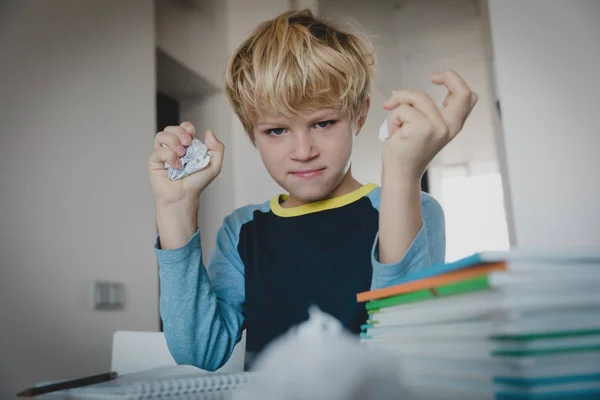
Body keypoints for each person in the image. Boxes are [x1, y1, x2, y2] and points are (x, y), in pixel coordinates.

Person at [147, 9, 477, 371]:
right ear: (251, 132)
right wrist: (175, 209)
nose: (303, 152)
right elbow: (199, 354)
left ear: (360, 114)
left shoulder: (412, 206)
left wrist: (403, 174)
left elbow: (406, 348)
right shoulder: (242, 230)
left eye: (323, 123)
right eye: (276, 131)